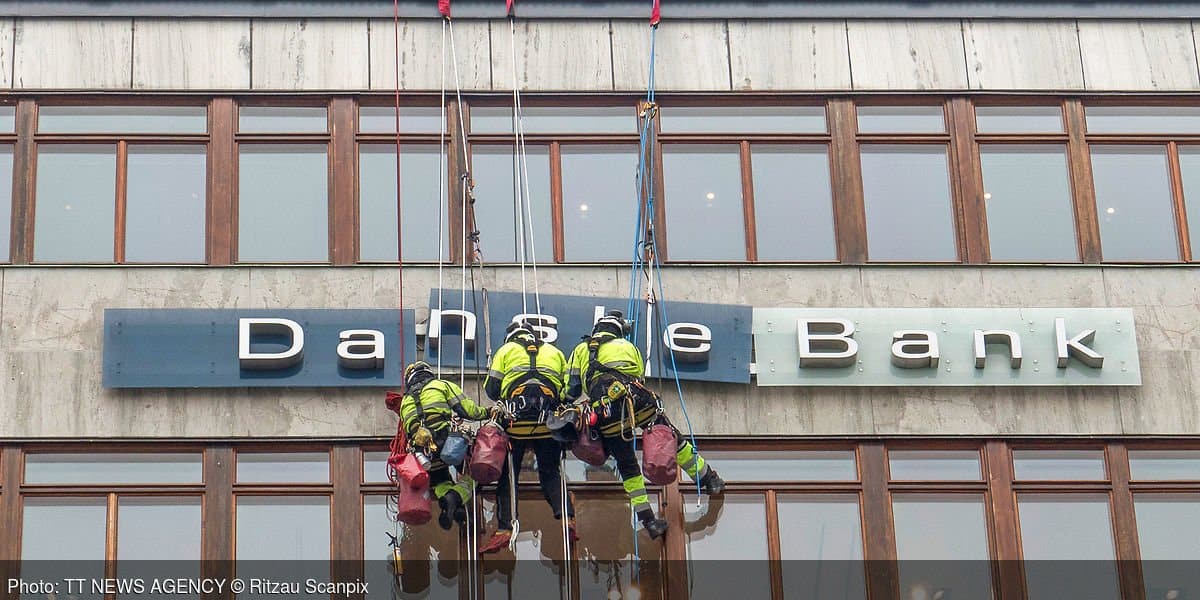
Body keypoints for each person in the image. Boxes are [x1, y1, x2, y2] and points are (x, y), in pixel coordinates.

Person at [564, 310, 725, 536]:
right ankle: (709, 479)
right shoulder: (627, 346)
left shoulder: (581, 350)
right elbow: (638, 376)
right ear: (618, 331)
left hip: (605, 412)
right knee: (670, 437)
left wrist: (564, 405)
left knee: (627, 465)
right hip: (636, 401)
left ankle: (649, 521)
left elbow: (572, 389)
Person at [479, 321, 575, 554]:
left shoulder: (506, 350)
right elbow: (568, 390)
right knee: (550, 472)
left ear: (511, 337)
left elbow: (492, 389)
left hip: (516, 424)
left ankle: (505, 528)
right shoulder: (554, 352)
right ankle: (567, 518)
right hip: (548, 424)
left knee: (508, 476)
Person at [390, 360, 495, 530]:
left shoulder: (405, 402)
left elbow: (408, 432)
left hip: (423, 455)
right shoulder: (441, 385)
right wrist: (489, 412)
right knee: (478, 472)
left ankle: (454, 508)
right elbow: (469, 411)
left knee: (440, 480)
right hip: (449, 444)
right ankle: (455, 497)